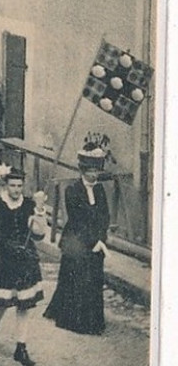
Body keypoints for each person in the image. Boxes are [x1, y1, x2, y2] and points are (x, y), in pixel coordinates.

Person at [0, 165, 47, 366]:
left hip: (26, 260)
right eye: (13, 185)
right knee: (2, 303)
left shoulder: (28, 205)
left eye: (19, 186)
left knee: (24, 305)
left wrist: (40, 210)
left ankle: (21, 347)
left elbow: (38, 233)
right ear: (6, 185)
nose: (16, 190)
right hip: (6, 261)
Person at [43, 141, 110, 335]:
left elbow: (104, 217)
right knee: (77, 271)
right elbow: (77, 220)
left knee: (95, 274)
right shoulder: (73, 190)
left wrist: (101, 239)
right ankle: (73, 320)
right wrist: (92, 241)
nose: (94, 175)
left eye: (97, 171)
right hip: (76, 239)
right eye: (90, 171)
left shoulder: (99, 190)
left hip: (95, 240)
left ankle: (93, 321)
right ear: (82, 170)